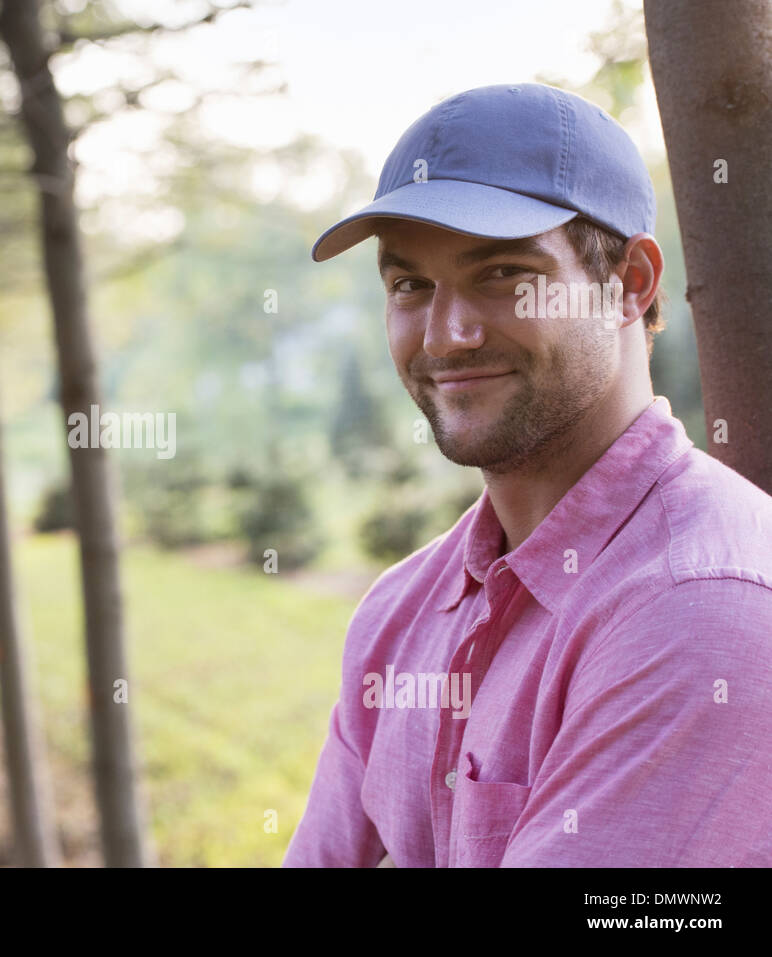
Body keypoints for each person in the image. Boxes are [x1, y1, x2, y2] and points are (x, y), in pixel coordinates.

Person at [282, 83, 772, 867]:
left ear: (632, 283)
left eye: (505, 272)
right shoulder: (400, 613)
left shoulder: (704, 607)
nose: (449, 334)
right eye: (411, 284)